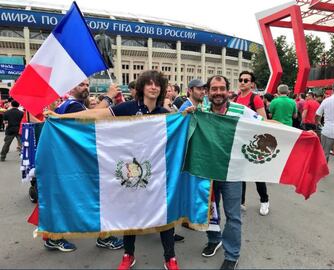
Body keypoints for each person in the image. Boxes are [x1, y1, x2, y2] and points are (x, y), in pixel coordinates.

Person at [46, 70, 180, 270]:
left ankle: (170, 257)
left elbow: (179, 131)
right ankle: (128, 254)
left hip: (156, 173)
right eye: (149, 83)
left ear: (161, 89)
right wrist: (61, 117)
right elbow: (95, 113)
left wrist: (188, 116)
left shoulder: (164, 114)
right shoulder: (128, 107)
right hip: (129, 171)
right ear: (142, 87)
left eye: (157, 84)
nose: (153, 87)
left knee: (163, 212)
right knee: (130, 212)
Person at [44, 79, 124, 252]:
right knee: (95, 196)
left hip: (74, 159)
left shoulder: (68, 105)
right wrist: (109, 97)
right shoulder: (72, 106)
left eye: (87, 85)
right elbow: (91, 116)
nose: (86, 88)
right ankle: (101, 236)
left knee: (73, 197)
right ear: (71, 87)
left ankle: (55, 236)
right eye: (82, 85)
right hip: (79, 160)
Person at [200, 75, 263, 270]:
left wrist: (301, 134)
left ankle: (232, 254)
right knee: (210, 211)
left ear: (228, 91)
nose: (218, 92)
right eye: (214, 89)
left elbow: (265, 126)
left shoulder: (241, 110)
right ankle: (214, 239)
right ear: (208, 92)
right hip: (208, 172)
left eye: (221, 88)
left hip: (232, 173)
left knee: (233, 215)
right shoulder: (200, 111)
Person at [234, 71, 270, 216]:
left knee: (256, 174)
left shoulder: (256, 99)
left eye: (246, 80)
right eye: (241, 80)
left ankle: (264, 200)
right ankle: (241, 201)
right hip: (239, 141)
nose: (243, 82)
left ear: (252, 84)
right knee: (240, 172)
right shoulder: (236, 98)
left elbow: (263, 120)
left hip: (254, 142)